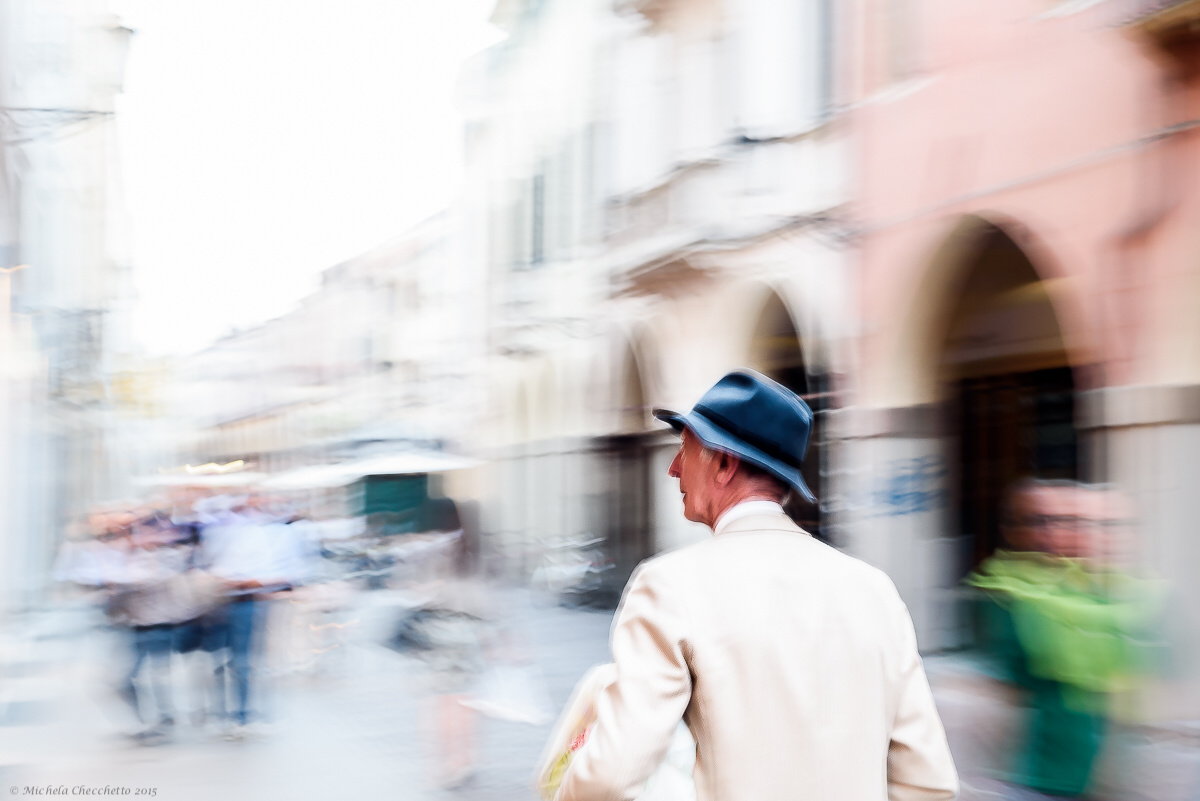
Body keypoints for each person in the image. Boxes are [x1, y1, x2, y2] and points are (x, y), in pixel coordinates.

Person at [553, 370, 958, 801]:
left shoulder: (669, 586)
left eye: (685, 448)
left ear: (724, 464)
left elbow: (611, 773)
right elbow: (928, 782)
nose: (673, 468)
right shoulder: (875, 590)